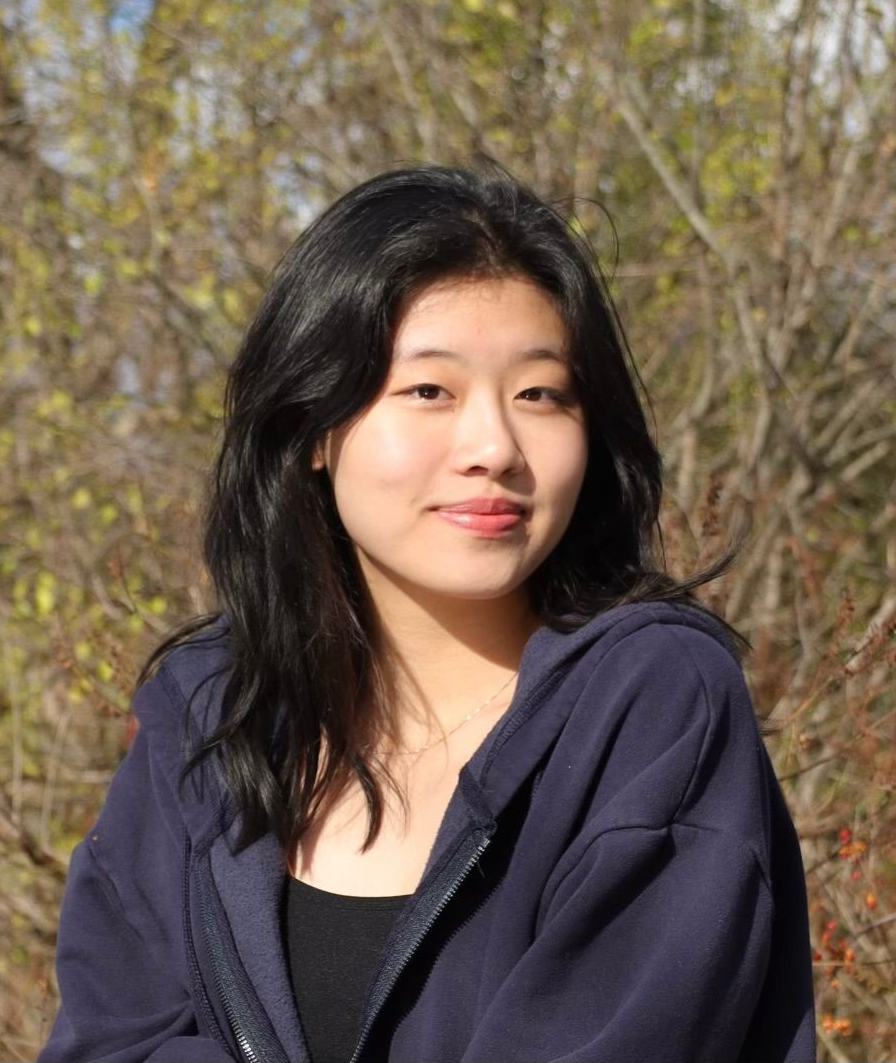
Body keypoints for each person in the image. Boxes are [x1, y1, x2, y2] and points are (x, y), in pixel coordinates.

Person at [38, 157, 817, 1063]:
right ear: (316, 426)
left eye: (541, 394)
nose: (494, 445)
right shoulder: (209, 715)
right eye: (428, 390)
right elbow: (114, 1040)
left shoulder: (651, 704)